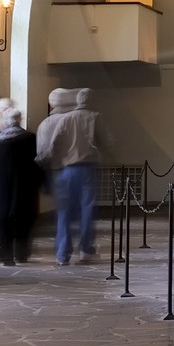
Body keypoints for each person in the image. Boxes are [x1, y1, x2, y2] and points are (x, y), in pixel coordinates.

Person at [36, 87, 106, 266]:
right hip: (84, 168)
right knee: (87, 209)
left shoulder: (57, 121)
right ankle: (85, 248)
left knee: (64, 212)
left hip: (63, 171)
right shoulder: (93, 117)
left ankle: (62, 253)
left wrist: (43, 163)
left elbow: (50, 146)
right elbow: (104, 141)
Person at [0, 106, 42, 265]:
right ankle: (21, 254)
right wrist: (40, 182)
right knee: (23, 220)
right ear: (19, 120)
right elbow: (38, 162)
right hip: (24, 187)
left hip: (0, 187)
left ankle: (6, 255)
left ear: (6, 122)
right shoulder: (30, 139)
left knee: (2, 221)